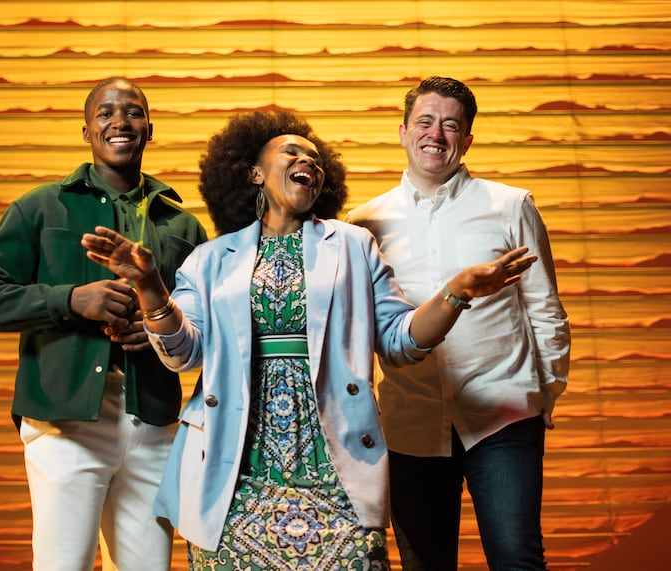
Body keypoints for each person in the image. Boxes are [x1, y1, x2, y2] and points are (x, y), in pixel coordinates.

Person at [79, 108, 537, 571]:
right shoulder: (211, 258)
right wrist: (150, 285)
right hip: (236, 463)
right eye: (292, 152)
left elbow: (400, 341)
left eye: (317, 160)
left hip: (334, 457)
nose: (309, 163)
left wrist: (454, 294)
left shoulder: (355, 245)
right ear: (254, 174)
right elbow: (183, 352)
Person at [0, 77, 207, 571]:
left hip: (152, 419)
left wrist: (155, 329)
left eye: (133, 112)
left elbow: (202, 326)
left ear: (150, 129)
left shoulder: (184, 226)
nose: (120, 122)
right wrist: (73, 299)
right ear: (87, 131)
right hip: (65, 418)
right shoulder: (39, 207)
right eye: (106, 113)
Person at [345, 76, 571, 570]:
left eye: (451, 125)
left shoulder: (511, 205)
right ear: (403, 131)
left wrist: (547, 390)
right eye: (425, 122)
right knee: (425, 563)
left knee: (516, 557)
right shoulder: (364, 224)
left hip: (503, 410)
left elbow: (544, 306)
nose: (436, 134)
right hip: (410, 421)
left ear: (466, 140)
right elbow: (358, 331)